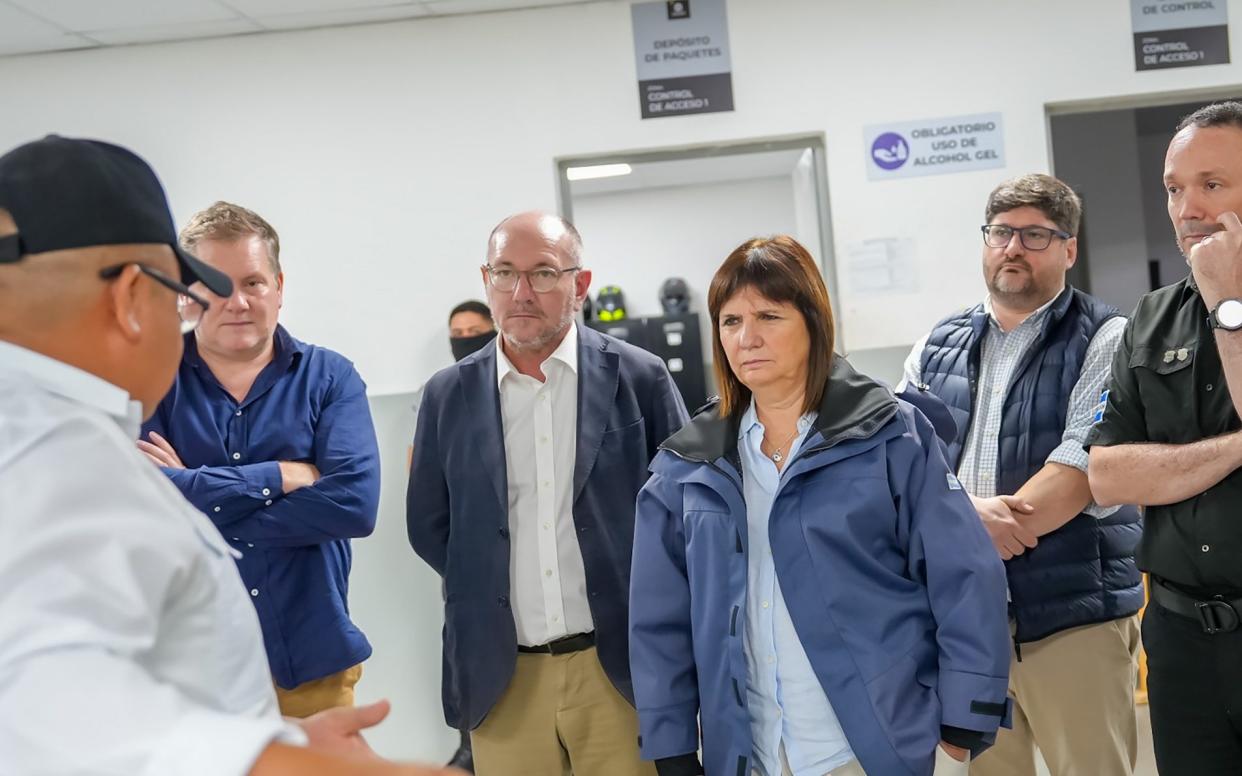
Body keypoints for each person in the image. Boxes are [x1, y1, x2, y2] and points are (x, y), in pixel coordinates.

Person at [0, 135, 456, 775]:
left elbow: (352, 504)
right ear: (134, 298)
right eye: (184, 293)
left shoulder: (49, 427)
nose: (222, 307)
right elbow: (62, 714)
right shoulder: (59, 459)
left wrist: (193, 486)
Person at [630, 235, 1011, 776]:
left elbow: (965, 578)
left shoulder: (892, 434)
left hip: (874, 749)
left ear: (813, 321)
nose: (748, 338)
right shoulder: (687, 464)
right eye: (731, 321)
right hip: (750, 755)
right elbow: (657, 620)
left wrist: (960, 731)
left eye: (769, 315)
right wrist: (671, 748)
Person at [407, 211, 688, 775]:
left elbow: (685, 511)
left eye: (543, 273)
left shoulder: (640, 376)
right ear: (486, 281)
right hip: (503, 677)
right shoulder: (446, 396)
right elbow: (430, 526)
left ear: (579, 285)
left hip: (620, 670)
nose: (521, 292)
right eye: (505, 273)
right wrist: (491, 584)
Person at [902, 174, 1143, 776]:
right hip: (963, 624)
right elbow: (901, 469)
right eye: (1001, 232)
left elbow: (1079, 470)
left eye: (1035, 235)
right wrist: (964, 519)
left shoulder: (1108, 337)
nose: (1013, 247)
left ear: (1069, 249)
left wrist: (955, 526)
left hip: (1071, 618)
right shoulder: (936, 344)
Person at [138, 201, 380, 718]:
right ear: (186, 293)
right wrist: (281, 475)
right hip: (190, 674)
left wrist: (193, 493)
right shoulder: (148, 381)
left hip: (313, 664)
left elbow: (355, 506)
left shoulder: (331, 378)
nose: (237, 302)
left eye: (253, 282)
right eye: (214, 284)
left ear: (279, 286)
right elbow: (143, 510)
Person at [1087, 100, 1242, 775]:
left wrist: (1227, 305)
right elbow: (1108, 476)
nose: (1187, 208)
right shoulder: (1150, 318)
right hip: (1182, 640)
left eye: (1213, 184)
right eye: (1174, 189)